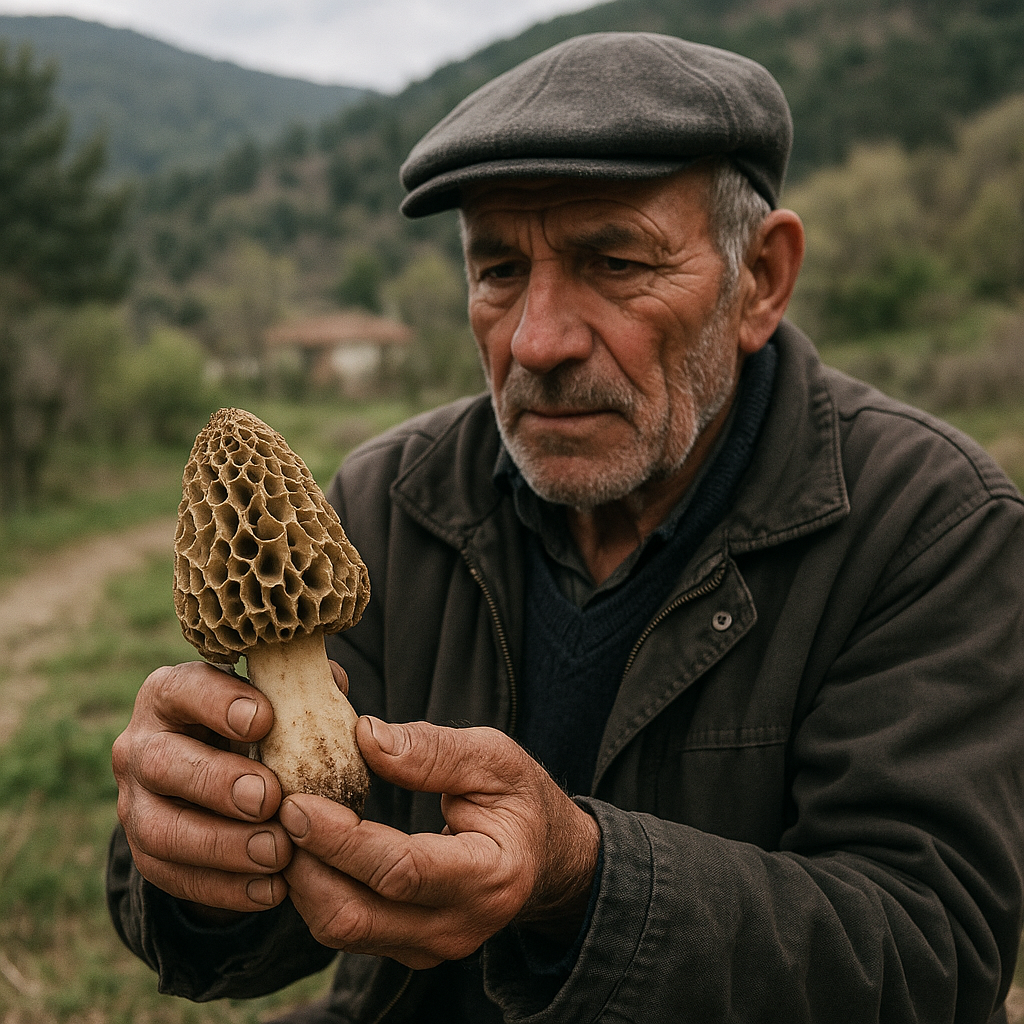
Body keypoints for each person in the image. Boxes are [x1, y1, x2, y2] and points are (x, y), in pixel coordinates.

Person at [107, 32, 1024, 1024]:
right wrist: (192, 863)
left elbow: (931, 956)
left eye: (614, 261)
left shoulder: (930, 526)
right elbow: (249, 938)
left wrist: (580, 884)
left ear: (758, 278)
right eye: (498, 270)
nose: (537, 340)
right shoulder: (385, 499)